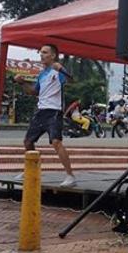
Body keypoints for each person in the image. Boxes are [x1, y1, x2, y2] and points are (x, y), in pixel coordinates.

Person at [13, 44, 78, 188]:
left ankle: (70, 176)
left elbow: (72, 81)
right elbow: (34, 92)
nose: (41, 55)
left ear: (53, 55)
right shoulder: (42, 74)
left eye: (44, 52)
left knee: (56, 142)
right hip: (41, 111)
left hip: (54, 112)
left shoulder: (57, 69)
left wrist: (62, 70)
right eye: (40, 52)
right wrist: (22, 82)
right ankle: (32, 170)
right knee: (28, 142)